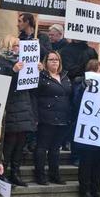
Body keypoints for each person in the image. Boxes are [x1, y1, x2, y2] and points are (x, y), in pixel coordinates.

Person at [0, 35, 36, 187]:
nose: (18, 48)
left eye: (19, 45)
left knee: (20, 143)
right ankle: (3, 173)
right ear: (7, 46)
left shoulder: (24, 60)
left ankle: (15, 173)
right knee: (8, 144)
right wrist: (13, 71)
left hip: (23, 105)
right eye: (15, 45)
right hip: (9, 107)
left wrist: (38, 70)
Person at [34, 50, 71, 185]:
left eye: (57, 59)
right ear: (45, 62)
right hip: (46, 117)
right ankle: (40, 175)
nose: (54, 61)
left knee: (55, 148)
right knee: (42, 147)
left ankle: (54, 174)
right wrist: (37, 72)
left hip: (63, 117)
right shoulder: (41, 76)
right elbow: (34, 93)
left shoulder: (65, 76)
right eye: (51, 59)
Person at [73, 59, 100, 197]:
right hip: (87, 130)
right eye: (97, 71)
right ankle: (85, 190)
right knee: (86, 162)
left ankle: (96, 190)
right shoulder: (80, 83)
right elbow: (75, 103)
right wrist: (83, 88)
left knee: (98, 164)